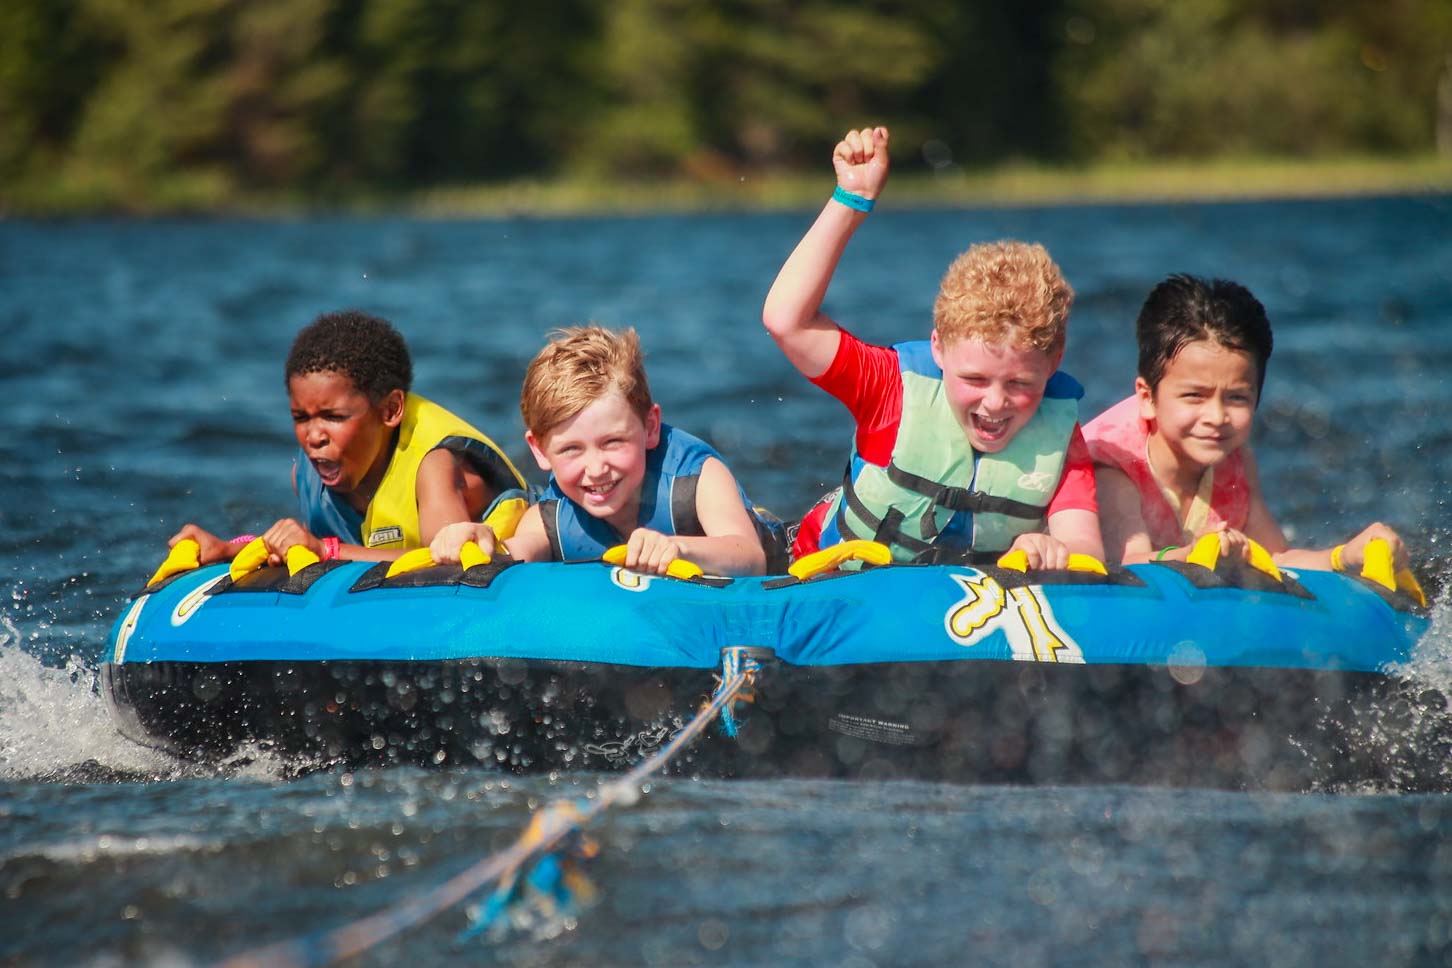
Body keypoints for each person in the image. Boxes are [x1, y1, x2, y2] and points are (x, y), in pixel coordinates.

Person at [760, 125, 1102, 569]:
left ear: (1054, 362)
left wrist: (1053, 551)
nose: (995, 403)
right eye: (974, 379)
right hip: (820, 577)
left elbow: (1087, 549)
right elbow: (786, 322)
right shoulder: (891, 390)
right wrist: (851, 200)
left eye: (1019, 382)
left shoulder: (1058, 431)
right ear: (938, 349)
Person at [1083, 273, 1407, 570]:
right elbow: (1128, 563)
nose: (1216, 417)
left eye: (1237, 398)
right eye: (1195, 395)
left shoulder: (1234, 459)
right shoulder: (1114, 470)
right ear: (1147, 398)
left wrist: (1343, 556)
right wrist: (1190, 557)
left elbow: (1276, 560)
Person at [169, 310, 527, 565]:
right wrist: (229, 550)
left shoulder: (434, 467)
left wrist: (327, 552)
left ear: (389, 411)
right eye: (300, 418)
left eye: (334, 417)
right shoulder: (307, 477)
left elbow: (444, 563)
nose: (314, 437)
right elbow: (311, 553)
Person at [430, 325, 783, 576]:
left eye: (612, 442)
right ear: (539, 451)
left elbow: (751, 558)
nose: (596, 468)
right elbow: (516, 554)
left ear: (650, 427)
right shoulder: (546, 520)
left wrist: (676, 547)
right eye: (571, 449)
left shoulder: (696, 477)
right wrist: (480, 541)